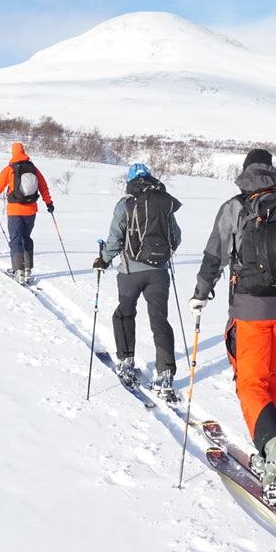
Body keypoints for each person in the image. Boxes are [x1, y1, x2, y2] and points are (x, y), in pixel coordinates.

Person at [188, 148, 276, 496]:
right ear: (272, 171)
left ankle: (273, 448)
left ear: (246, 171)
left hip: (250, 312)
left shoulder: (235, 206)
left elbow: (213, 255)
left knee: (250, 383)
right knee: (270, 378)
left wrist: (201, 293)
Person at [93, 163, 183, 399]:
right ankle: (165, 375)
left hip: (130, 272)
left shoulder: (125, 205)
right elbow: (177, 237)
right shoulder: (164, 204)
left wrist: (102, 260)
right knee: (160, 321)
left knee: (123, 314)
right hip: (159, 273)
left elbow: (114, 238)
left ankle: (126, 361)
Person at [0, 142, 54, 284]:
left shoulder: (9, 169)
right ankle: (27, 269)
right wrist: (49, 203)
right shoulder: (33, 169)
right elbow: (43, 187)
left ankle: (18, 271)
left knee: (16, 239)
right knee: (26, 237)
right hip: (31, 210)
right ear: (24, 152)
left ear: (13, 153)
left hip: (15, 210)